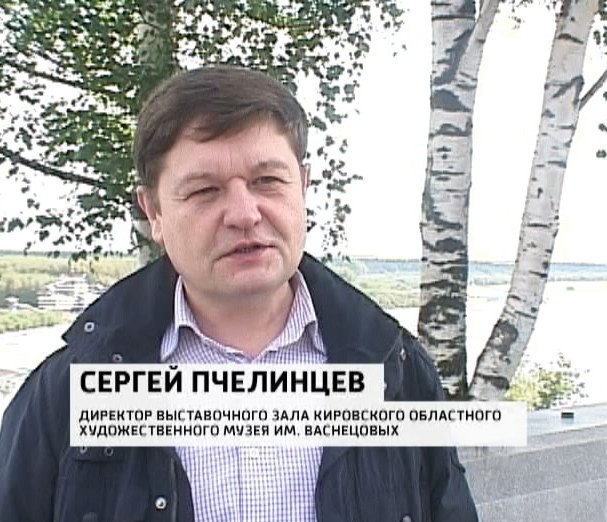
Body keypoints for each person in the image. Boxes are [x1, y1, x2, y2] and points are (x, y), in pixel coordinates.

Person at [0, 65, 478, 522]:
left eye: (267, 181)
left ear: (303, 187)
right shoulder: (65, 393)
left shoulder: (398, 374)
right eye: (205, 191)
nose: (244, 214)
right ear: (154, 213)